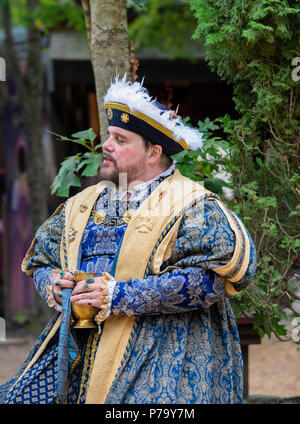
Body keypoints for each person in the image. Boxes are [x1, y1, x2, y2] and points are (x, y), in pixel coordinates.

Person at [0, 76, 256, 404]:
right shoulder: (85, 202)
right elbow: (41, 261)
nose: (107, 145)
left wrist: (118, 295)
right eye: (110, 136)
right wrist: (52, 283)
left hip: (165, 359)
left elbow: (210, 282)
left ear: (154, 153)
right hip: (78, 354)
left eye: (121, 140)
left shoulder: (191, 204)